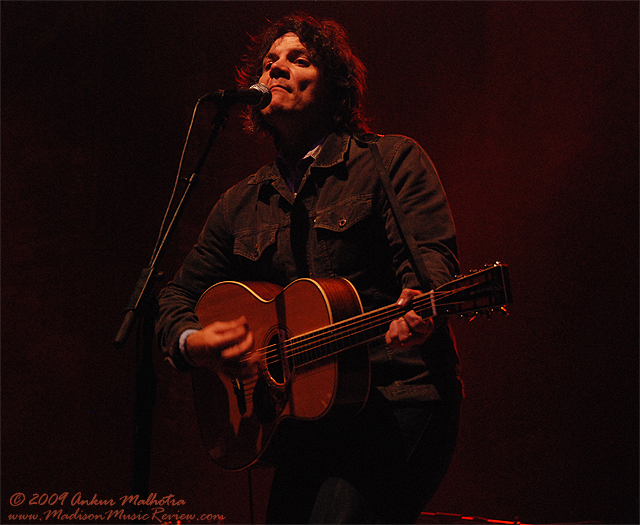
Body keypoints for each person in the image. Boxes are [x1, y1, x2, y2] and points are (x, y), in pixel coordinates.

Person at [156, 12, 463, 524]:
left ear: (334, 86)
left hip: (396, 401)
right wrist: (196, 344)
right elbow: (173, 298)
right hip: (306, 422)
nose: (277, 68)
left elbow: (431, 266)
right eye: (269, 61)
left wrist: (421, 306)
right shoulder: (242, 203)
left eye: (299, 59)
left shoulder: (390, 162)